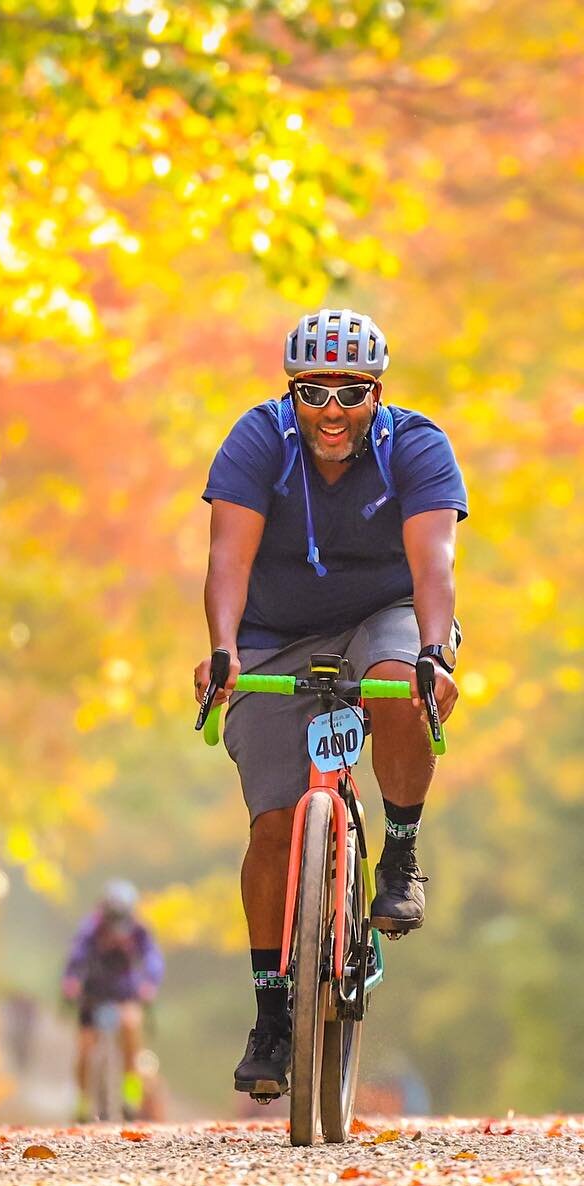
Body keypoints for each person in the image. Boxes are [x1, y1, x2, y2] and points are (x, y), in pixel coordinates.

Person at [194, 308, 466, 1098]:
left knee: (399, 689)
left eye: (351, 393)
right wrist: (222, 648)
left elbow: (435, 565)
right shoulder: (256, 442)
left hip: (384, 614)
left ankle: (403, 849)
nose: (333, 412)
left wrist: (435, 652)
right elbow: (226, 560)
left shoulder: (417, 446)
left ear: (378, 394)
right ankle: (273, 1014)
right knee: (274, 827)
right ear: (292, 394)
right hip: (273, 628)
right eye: (314, 393)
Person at [61, 880, 164, 1121]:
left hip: (125, 994)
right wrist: (72, 980)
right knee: (85, 1046)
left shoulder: (138, 930)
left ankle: (131, 1095)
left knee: (130, 1029)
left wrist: (149, 982)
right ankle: (83, 1102)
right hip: (93, 995)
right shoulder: (92, 929)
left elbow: (152, 958)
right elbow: (77, 956)